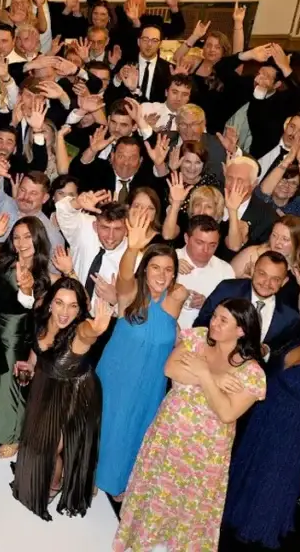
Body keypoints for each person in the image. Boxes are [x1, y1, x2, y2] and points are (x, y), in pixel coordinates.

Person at [113, 300, 266, 552]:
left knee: (189, 506)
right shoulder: (197, 338)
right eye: (214, 316)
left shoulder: (252, 374)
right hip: (168, 435)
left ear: (241, 330)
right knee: (156, 491)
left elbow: (226, 412)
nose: (214, 323)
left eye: (223, 320)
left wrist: (204, 374)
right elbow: (171, 369)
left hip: (205, 453)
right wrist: (216, 378)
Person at [95, 209, 187, 500]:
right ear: (145, 269)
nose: (162, 274)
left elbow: (173, 332)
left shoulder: (177, 297)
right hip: (116, 376)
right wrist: (133, 248)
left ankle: (120, 482)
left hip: (151, 384)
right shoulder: (130, 293)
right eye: (155, 267)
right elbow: (124, 275)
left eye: (168, 269)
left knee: (136, 431)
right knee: (107, 426)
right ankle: (90, 475)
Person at [223, 305, 300, 548]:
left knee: (271, 481)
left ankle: (258, 529)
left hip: (293, 429)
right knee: (249, 468)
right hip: (264, 416)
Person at [10, 277, 111, 520]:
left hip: (76, 394)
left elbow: (87, 334)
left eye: (73, 306)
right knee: (38, 441)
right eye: (60, 303)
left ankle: (55, 484)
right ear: (49, 303)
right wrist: (29, 366)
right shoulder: (41, 320)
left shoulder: (79, 331)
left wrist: (96, 330)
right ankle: (47, 476)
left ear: (79, 309)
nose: (65, 312)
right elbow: (36, 352)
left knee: (53, 446)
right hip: (47, 385)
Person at [0, 217, 50, 457]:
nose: (21, 242)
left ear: (38, 238)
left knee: (9, 380)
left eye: (28, 236)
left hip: (17, 333)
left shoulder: (45, 275)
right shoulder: (2, 258)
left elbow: (40, 317)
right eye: (16, 237)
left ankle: (14, 434)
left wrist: (28, 288)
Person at [194, 251, 300, 359]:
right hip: (209, 357)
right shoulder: (227, 290)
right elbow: (201, 323)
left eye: (275, 279)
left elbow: (283, 355)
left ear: (284, 282)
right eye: (262, 274)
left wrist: (266, 351)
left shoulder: (289, 317)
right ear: (253, 270)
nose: (267, 283)